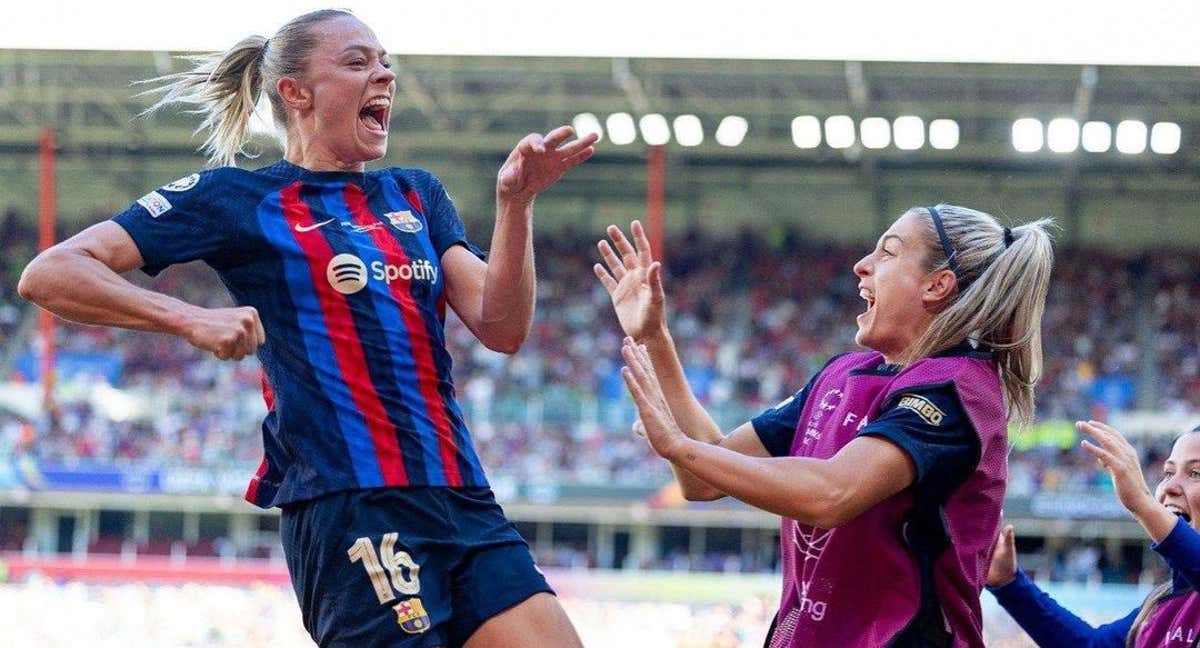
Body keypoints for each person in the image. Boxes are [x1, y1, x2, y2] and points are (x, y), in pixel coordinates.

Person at [18, 9, 595, 648]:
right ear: (295, 92)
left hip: (462, 494)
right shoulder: (235, 198)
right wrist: (186, 318)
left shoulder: (416, 194)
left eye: (384, 62)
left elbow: (502, 325)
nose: (384, 74)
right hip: (350, 502)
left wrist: (515, 205)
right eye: (357, 63)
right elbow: (51, 271)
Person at [595, 207, 1054, 647]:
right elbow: (704, 476)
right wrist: (654, 336)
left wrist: (677, 444)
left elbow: (831, 495)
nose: (861, 266)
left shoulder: (958, 389)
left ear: (937, 285)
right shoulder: (845, 373)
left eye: (887, 253)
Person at [987, 422, 1200, 647]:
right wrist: (1010, 583)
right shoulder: (1163, 604)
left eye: (1195, 473)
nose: (1170, 486)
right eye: (1168, 472)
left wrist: (1142, 503)